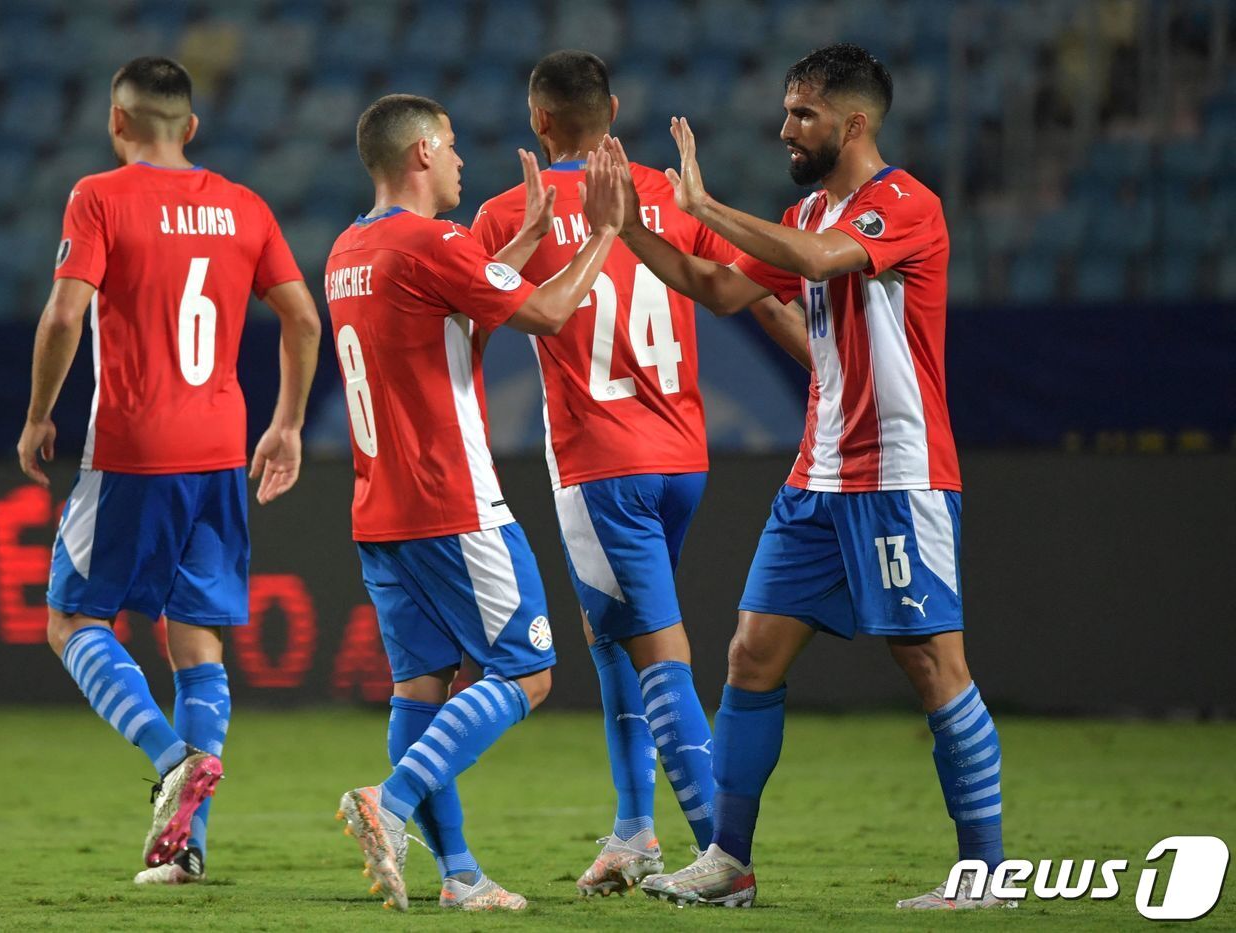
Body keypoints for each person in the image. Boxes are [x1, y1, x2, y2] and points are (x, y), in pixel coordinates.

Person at [606, 44, 1009, 910]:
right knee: (750, 653)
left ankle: (984, 872)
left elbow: (822, 261)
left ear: (853, 123)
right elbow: (716, 287)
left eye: (803, 115)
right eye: (787, 111)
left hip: (899, 475)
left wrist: (705, 203)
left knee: (935, 665)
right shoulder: (813, 210)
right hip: (816, 476)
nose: (786, 128)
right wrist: (630, 228)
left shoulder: (902, 206)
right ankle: (729, 861)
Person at [471, 50, 810, 896]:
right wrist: (823, 369)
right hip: (682, 458)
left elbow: (462, 320)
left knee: (659, 653)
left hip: (600, 464)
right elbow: (747, 289)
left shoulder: (512, 212)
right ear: (614, 109)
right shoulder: (660, 191)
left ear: (539, 120)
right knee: (613, 636)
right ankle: (632, 829)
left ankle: (720, 856)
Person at [15, 56, 321, 886]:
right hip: (221, 447)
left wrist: (41, 411)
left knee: (70, 619)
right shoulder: (245, 205)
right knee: (194, 637)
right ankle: (185, 847)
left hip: (133, 446)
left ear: (118, 123)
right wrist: (286, 423)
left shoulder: (100, 195)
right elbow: (301, 317)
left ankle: (169, 756)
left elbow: (64, 313)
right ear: (191, 127)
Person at [326, 93, 625, 912]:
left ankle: (458, 874)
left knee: (421, 689)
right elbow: (552, 314)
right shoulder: (434, 243)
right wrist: (603, 228)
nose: (462, 159)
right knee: (526, 672)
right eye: (452, 145)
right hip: (451, 503)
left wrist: (523, 241)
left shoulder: (348, 248)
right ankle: (388, 800)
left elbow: (451, 321)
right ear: (421, 152)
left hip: (378, 511)